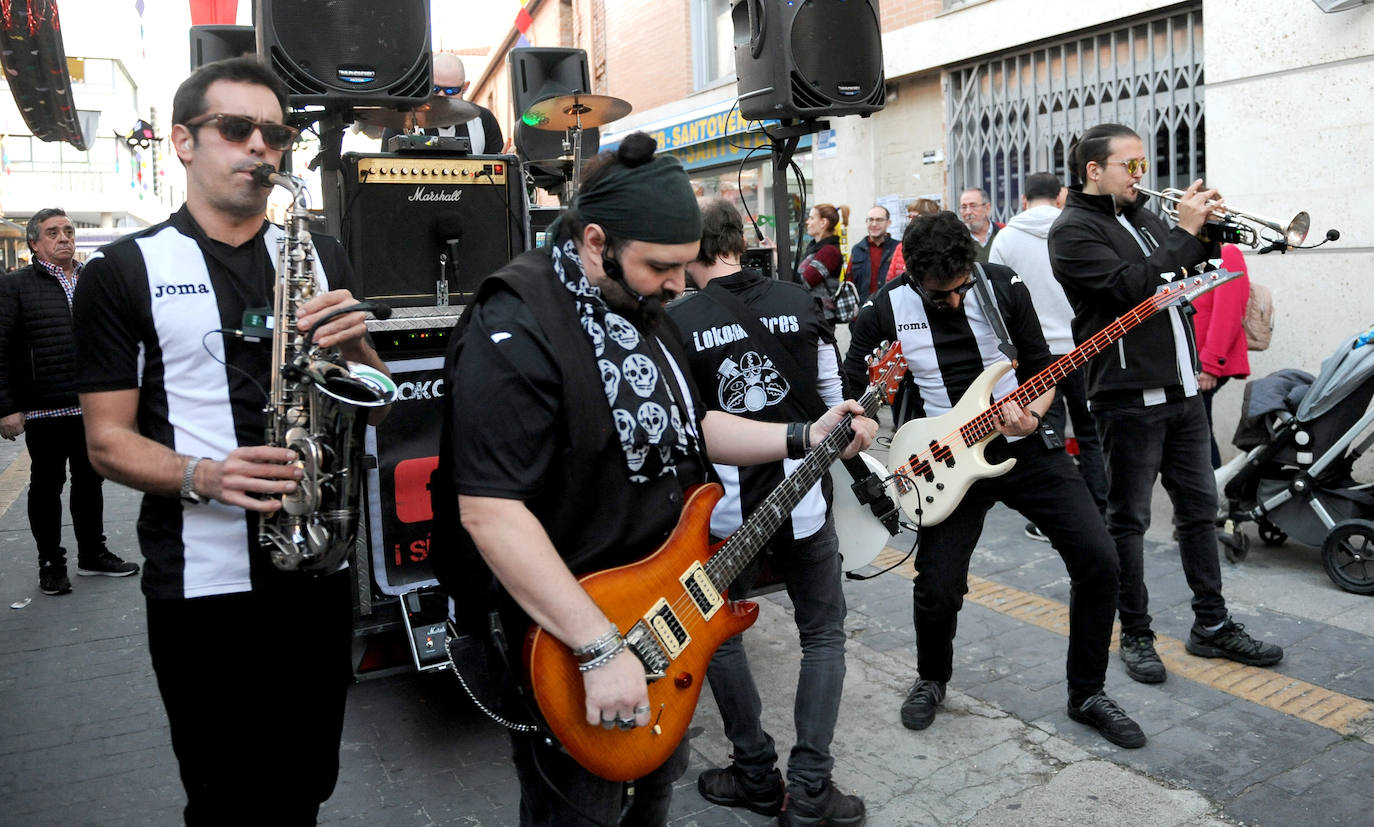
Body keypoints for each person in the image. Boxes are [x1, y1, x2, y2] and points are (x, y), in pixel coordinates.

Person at [431, 133, 875, 826]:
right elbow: (491, 511)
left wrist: (803, 434)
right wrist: (598, 645)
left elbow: (692, 422)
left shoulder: (643, 311)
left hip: (661, 620)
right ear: (596, 240)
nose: (676, 283)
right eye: (660, 266)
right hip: (570, 639)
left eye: (682, 265)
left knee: (652, 801)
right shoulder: (513, 323)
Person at [71, 57, 391, 822]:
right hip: (199, 586)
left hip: (312, 569)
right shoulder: (122, 270)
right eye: (237, 129)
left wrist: (358, 350)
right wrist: (206, 475)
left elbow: (372, 403)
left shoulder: (318, 257)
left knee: (306, 784)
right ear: (183, 140)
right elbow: (107, 441)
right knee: (223, 798)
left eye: (275, 135)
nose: (260, 148)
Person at [843, 211, 1143, 749]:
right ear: (914, 278)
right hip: (943, 462)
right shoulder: (886, 305)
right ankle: (931, 678)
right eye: (940, 298)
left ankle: (1088, 693)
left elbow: (1039, 367)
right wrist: (866, 420)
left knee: (1099, 560)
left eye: (960, 289)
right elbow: (848, 387)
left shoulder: (1003, 287)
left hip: (1025, 447)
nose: (954, 303)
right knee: (937, 586)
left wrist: (1030, 415)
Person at [1048, 122, 1283, 685]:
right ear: (1093, 172)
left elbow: (1189, 268)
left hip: (1182, 391)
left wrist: (1209, 231)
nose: (1140, 176)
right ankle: (1135, 633)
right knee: (1127, 521)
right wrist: (1183, 232)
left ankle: (1212, 624)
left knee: (1200, 512)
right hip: (1128, 396)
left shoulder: (1145, 217)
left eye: (1143, 165)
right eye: (1129, 166)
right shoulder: (1072, 232)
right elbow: (1131, 286)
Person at [669, 198, 864, 825]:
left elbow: (684, 433)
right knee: (823, 633)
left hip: (721, 518)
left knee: (718, 639)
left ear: (691, 249)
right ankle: (809, 790)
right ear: (737, 240)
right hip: (805, 505)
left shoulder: (677, 322)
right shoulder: (802, 300)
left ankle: (754, 773)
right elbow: (841, 410)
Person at [0, 208, 139, 596]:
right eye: (53, 233)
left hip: (91, 405)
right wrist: (6, 407)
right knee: (46, 486)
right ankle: (51, 564)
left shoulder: (90, 278)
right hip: (44, 407)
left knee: (91, 482)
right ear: (34, 242)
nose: (64, 238)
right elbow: (1, 347)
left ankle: (93, 554)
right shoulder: (16, 286)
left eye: (68, 231)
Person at [989, 172, 1110, 542]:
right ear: (1060, 196)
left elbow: (996, 302)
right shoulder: (1078, 229)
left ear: (1024, 200)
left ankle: (1054, 518)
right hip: (1084, 350)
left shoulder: (1006, 238)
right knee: (1091, 436)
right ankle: (1100, 511)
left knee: (1047, 435)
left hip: (1038, 358)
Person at [1192, 243, 1251, 468]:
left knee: (1198, 437)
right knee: (1198, 435)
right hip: (1194, 361)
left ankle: (1212, 496)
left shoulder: (1227, 252)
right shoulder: (1196, 253)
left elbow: (1229, 310)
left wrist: (1210, 365)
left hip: (1206, 363)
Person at [382, 52, 504, 153]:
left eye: (451, 91)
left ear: (465, 88)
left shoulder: (483, 121)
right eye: (435, 89)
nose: (441, 96)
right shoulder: (399, 121)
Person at [796, 203, 848, 323]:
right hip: (811, 314)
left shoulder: (829, 252)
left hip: (821, 318)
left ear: (823, 223)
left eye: (811, 218)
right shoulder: (815, 247)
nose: (807, 222)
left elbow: (804, 282)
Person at [845, 205, 899, 305]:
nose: (874, 224)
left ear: (888, 223)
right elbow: (849, 283)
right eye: (871, 220)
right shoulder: (857, 250)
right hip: (863, 310)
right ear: (866, 222)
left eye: (879, 220)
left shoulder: (898, 248)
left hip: (890, 309)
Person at [888, 198, 941, 282]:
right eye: (909, 217)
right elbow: (889, 281)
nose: (911, 222)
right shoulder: (900, 248)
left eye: (916, 217)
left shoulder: (941, 247)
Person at [958, 187, 1003, 262]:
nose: (968, 212)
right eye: (964, 207)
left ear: (987, 208)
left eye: (973, 206)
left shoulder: (1003, 233)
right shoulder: (957, 239)